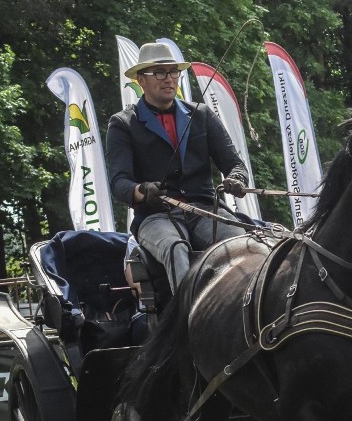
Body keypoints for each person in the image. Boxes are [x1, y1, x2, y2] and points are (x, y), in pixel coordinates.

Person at [106, 41, 249, 292]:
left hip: (205, 210)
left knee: (244, 242)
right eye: (159, 73)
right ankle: (188, 323)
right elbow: (119, 182)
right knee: (176, 248)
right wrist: (142, 190)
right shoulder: (123, 124)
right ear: (141, 80)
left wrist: (236, 179)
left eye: (174, 72)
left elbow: (235, 164)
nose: (168, 79)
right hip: (156, 216)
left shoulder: (201, 115)